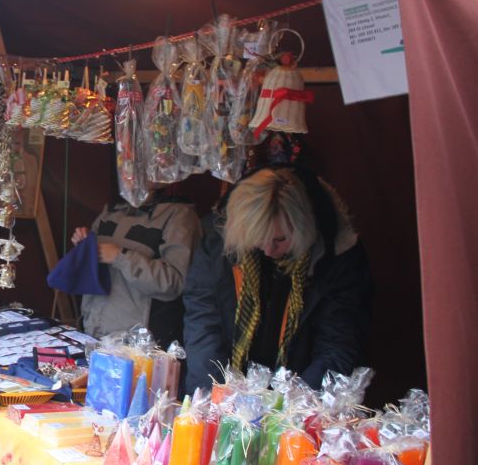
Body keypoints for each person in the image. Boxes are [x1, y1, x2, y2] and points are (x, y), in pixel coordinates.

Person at [182, 165, 372, 393]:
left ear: (304, 229)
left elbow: (337, 344)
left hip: (298, 390)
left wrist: (294, 405)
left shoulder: (337, 259)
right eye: (258, 239)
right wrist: (210, 393)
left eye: (280, 240)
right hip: (229, 389)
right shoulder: (219, 245)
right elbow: (203, 325)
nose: (268, 250)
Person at [71, 185, 201, 346]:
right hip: (94, 331)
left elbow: (175, 283)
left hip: (137, 344)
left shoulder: (179, 214)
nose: (129, 174)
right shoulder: (112, 210)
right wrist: (84, 246)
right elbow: (88, 271)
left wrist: (120, 257)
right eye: (124, 170)